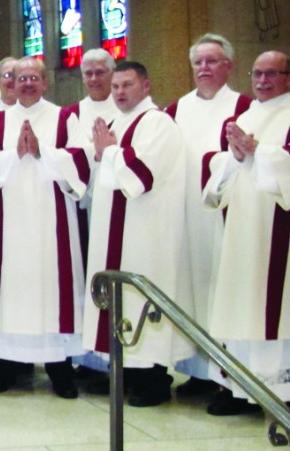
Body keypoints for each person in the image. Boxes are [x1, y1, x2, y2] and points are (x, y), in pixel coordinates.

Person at [0, 57, 89, 399]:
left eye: (33, 78)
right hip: (6, 222)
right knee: (8, 288)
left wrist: (41, 153)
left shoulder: (64, 118)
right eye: (19, 78)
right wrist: (13, 155)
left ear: (44, 83)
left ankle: (60, 370)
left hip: (53, 223)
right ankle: (4, 367)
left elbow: (80, 159)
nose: (25, 83)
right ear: (8, 83)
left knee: (54, 289)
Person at [84, 61, 192, 407]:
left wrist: (109, 152)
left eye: (127, 85)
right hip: (117, 228)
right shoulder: (118, 123)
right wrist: (106, 154)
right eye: (115, 87)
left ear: (145, 86)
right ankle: (126, 375)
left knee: (141, 300)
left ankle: (151, 382)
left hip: (145, 232)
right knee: (121, 301)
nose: (119, 92)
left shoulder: (158, 123)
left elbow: (142, 175)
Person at [202, 50, 290, 416]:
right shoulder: (242, 117)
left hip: (277, 230)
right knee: (239, 304)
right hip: (240, 227)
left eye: (272, 73)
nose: (263, 80)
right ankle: (237, 387)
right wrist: (235, 157)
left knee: (275, 307)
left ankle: (280, 391)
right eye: (258, 73)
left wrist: (259, 152)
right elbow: (219, 177)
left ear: (288, 77)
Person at [165, 34, 252, 397]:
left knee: (223, 291)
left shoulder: (244, 106)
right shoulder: (175, 109)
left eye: (213, 61)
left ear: (229, 66)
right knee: (192, 291)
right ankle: (198, 370)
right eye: (199, 62)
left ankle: (229, 378)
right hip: (184, 216)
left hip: (224, 218)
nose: (204, 68)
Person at [61, 49, 120, 378]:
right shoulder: (72, 113)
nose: (95, 79)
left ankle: (119, 360)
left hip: (120, 205)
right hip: (83, 208)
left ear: (113, 74)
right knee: (85, 278)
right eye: (89, 73)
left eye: (101, 72)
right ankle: (87, 358)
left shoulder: (130, 110)